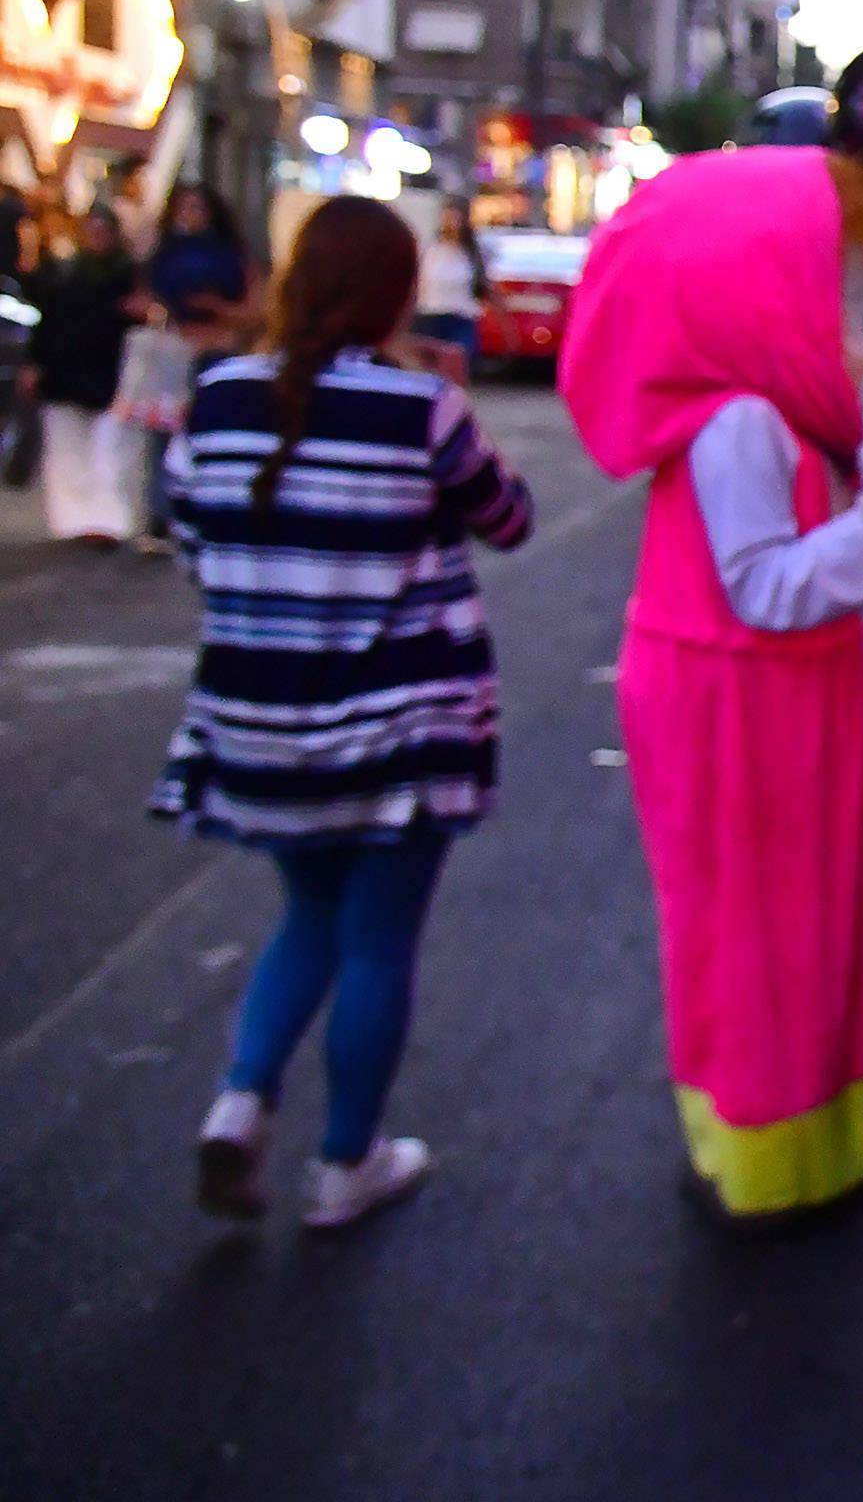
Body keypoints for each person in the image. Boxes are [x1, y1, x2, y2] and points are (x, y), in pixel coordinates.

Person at [559, 145, 863, 1222]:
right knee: (753, 931)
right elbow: (762, 587)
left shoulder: (784, 418)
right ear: (763, 298)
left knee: (826, 914)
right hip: (734, 700)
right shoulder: (741, 423)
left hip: (793, 690)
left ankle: (837, 1137)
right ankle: (760, 1160)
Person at [160, 197, 535, 1230]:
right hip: (395, 732)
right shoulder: (420, 408)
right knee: (376, 940)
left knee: (309, 917)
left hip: (258, 724)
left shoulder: (217, 398)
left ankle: (242, 1100)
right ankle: (348, 1159)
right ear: (400, 294)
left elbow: (193, 541)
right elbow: (509, 519)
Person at [129, 184, 255, 556]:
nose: (191, 214)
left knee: (209, 433)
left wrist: (217, 308)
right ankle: (160, 517)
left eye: (198, 206)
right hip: (172, 351)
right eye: (184, 207)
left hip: (216, 349)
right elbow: (144, 297)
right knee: (162, 438)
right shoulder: (163, 255)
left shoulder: (232, 256)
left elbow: (253, 309)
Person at [20, 205, 144, 545]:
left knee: (110, 450)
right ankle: (74, 520)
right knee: (66, 448)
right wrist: (36, 364)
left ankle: (108, 521)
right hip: (67, 369)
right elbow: (49, 321)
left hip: (111, 370)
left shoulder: (129, 274)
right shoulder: (65, 272)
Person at [411, 203, 487, 371]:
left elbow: (483, 287)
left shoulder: (472, 253)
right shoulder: (429, 249)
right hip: (429, 316)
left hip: (461, 317)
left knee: (457, 366)